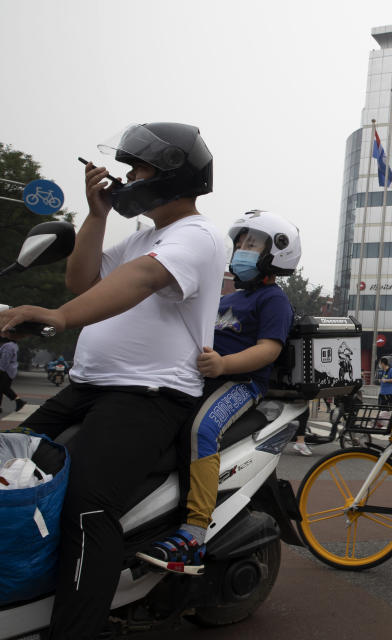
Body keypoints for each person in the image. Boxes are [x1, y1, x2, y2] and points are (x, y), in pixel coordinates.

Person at [0, 122, 226, 640]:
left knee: (88, 508)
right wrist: (96, 215)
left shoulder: (199, 235)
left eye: (137, 168)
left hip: (148, 394)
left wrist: (57, 317)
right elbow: (81, 282)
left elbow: (143, 278)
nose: (126, 177)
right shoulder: (141, 235)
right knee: (12, 465)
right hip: (88, 387)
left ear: (172, 173)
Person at [136, 210, 299, 572]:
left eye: (252, 243)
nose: (241, 248)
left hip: (240, 384)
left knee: (201, 430)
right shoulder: (228, 298)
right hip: (203, 379)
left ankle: (194, 535)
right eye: (240, 242)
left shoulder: (272, 299)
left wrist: (225, 365)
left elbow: (269, 349)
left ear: (276, 253)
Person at [0, 336, 26, 412]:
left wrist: (1, 369)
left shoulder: (8, 346)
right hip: (10, 370)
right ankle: (19, 402)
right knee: (2, 388)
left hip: (6, 370)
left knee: (3, 388)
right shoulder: (13, 345)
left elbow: (5, 359)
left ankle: (19, 401)